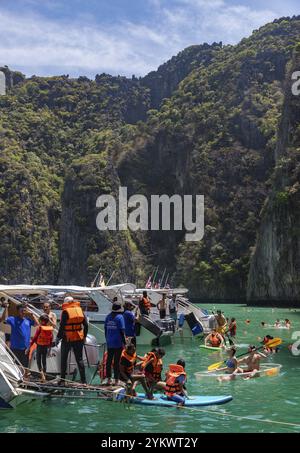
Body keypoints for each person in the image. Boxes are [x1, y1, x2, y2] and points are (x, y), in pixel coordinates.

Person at [56, 296, 88, 385]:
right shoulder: (80, 310)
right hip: (79, 338)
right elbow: (86, 325)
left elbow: (62, 326)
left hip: (67, 338)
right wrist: (84, 336)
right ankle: (84, 381)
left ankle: (62, 380)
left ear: (66, 303)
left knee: (64, 359)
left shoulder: (66, 311)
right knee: (80, 359)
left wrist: (58, 337)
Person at [0, 302, 38, 375]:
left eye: (24, 310)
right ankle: (18, 379)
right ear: (18, 311)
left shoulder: (28, 320)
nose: (23, 312)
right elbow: (3, 319)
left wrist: (32, 314)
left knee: (25, 367)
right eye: (21, 310)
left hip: (25, 348)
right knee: (16, 366)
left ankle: (25, 380)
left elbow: (37, 324)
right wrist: (5, 308)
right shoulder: (12, 319)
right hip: (15, 348)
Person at [26, 314, 53, 382]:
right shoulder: (50, 328)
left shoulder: (40, 328)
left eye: (40, 320)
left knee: (38, 361)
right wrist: (49, 350)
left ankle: (42, 376)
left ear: (42, 321)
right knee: (44, 361)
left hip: (40, 346)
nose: (39, 321)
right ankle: (45, 375)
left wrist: (29, 347)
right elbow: (51, 340)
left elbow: (35, 338)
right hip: (46, 347)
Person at [104, 302, 126, 386]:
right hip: (118, 343)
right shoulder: (120, 317)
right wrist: (124, 343)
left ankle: (108, 379)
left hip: (109, 342)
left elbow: (105, 330)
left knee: (109, 361)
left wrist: (107, 339)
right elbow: (122, 331)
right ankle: (116, 380)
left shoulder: (108, 316)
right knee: (116, 362)